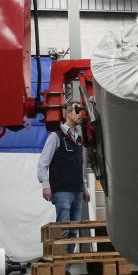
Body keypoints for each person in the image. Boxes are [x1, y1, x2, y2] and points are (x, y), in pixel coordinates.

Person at [37, 101, 90, 258]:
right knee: (63, 229)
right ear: (67, 114)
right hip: (62, 191)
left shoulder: (79, 139)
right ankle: (59, 263)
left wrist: (85, 188)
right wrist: (45, 185)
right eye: (77, 110)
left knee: (73, 231)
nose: (81, 114)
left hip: (77, 190)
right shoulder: (56, 136)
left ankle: (66, 266)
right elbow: (43, 163)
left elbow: (80, 166)